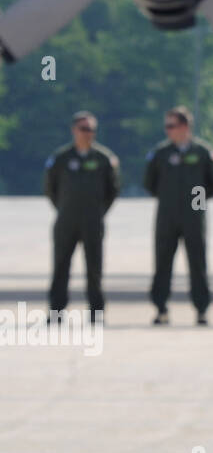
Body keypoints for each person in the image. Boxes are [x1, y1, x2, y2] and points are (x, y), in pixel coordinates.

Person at [144, 106, 213, 325]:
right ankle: (160, 309)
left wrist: (198, 201)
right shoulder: (161, 153)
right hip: (167, 216)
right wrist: (169, 199)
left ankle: (201, 310)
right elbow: (150, 183)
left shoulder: (203, 152)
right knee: (162, 263)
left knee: (197, 263)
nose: (167, 130)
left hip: (194, 215)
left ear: (185, 126)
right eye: (166, 126)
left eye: (171, 125)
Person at [43, 110, 120, 322]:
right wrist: (64, 208)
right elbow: (51, 188)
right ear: (74, 130)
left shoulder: (104, 159)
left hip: (93, 222)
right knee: (60, 267)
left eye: (92, 130)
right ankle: (56, 311)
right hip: (66, 220)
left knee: (94, 268)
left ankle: (96, 312)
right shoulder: (61, 158)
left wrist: (97, 211)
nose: (88, 134)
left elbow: (112, 190)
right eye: (84, 129)